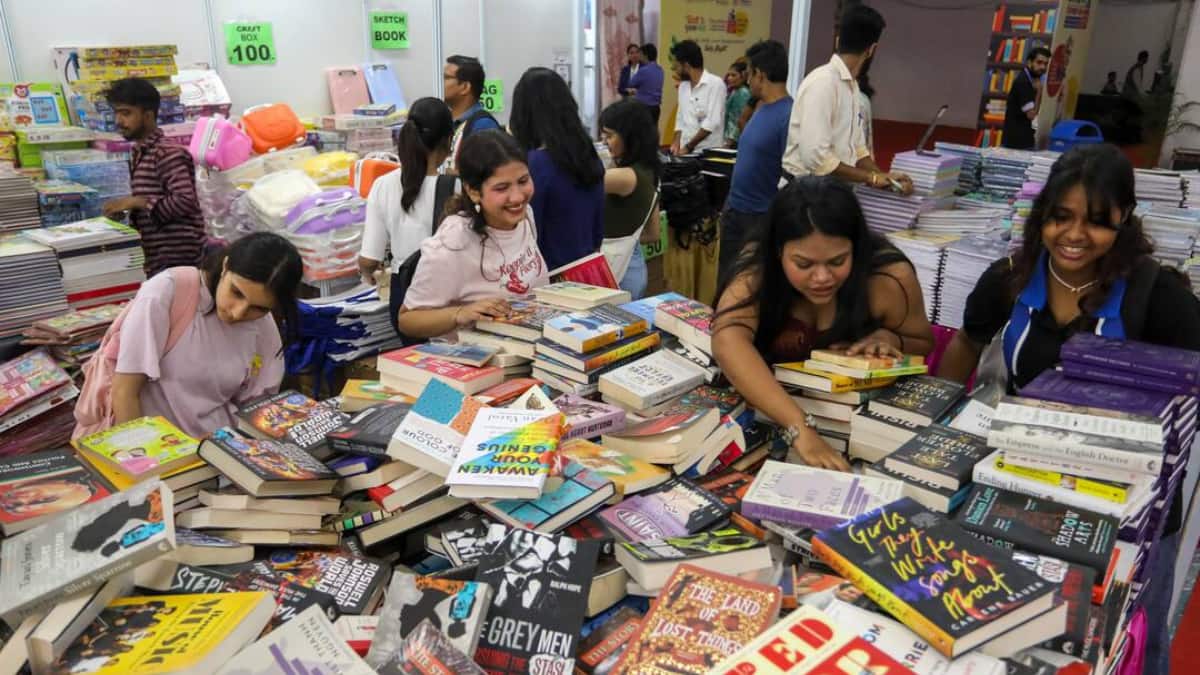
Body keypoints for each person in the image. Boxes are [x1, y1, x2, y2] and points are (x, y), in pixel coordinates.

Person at [935, 143, 1200, 675]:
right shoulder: (1009, 277)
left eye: (1097, 222)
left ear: (1124, 217)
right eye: (1061, 217)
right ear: (1043, 215)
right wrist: (933, 427)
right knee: (1027, 630)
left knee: (1128, 643)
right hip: (1022, 490)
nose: (1074, 235)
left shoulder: (1157, 295)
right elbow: (966, 343)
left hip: (1129, 507)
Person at [711, 177, 934, 470]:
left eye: (837, 261)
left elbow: (922, 342)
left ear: (857, 248)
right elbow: (728, 340)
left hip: (859, 435)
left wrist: (890, 339)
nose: (822, 278)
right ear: (778, 252)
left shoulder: (888, 278)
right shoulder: (758, 270)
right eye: (803, 264)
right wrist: (799, 428)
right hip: (767, 419)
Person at [107, 232, 303, 438]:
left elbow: (257, 409)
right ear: (226, 266)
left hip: (221, 449)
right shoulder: (167, 292)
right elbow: (124, 393)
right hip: (157, 450)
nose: (238, 312)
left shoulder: (263, 326)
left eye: (258, 308)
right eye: (236, 293)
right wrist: (143, 462)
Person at [396, 131, 549, 339]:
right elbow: (407, 320)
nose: (517, 197)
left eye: (523, 181)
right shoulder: (452, 243)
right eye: (502, 188)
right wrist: (461, 313)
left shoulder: (524, 217)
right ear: (474, 191)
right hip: (473, 363)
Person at [781, 5, 911, 194]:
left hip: (830, 193)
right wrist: (871, 177)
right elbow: (817, 159)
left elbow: (857, 149)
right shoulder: (823, 83)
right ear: (872, 49)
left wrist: (886, 177)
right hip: (804, 195)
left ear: (837, 40)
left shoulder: (851, 87)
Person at [357, 97, 456, 329]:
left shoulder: (383, 185)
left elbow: (369, 258)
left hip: (404, 295)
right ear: (448, 140)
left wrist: (368, 272)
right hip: (449, 294)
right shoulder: (458, 187)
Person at [100, 78, 206, 278]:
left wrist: (136, 202)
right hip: (157, 259)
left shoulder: (167, 153)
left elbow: (185, 201)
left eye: (126, 113)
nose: (118, 121)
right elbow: (154, 202)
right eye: (116, 113)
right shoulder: (141, 153)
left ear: (148, 115)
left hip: (178, 261)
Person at [510, 67, 605, 271]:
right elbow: (598, 230)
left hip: (549, 278)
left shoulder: (535, 164)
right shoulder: (589, 157)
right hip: (588, 271)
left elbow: (529, 235)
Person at [719, 39, 792, 281]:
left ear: (760, 75)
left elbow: (790, 174)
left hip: (759, 218)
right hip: (736, 211)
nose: (747, 80)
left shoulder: (788, 115)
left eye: (749, 74)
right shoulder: (762, 109)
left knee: (749, 287)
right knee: (726, 283)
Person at [599, 98, 662, 299]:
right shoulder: (650, 171)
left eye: (609, 135)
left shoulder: (624, 177)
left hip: (615, 273)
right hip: (633, 266)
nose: (604, 142)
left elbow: (576, 186)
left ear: (630, 137)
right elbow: (653, 234)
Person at [443, 55, 500, 172]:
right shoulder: (449, 122)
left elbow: (486, 175)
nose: (439, 82)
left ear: (465, 87)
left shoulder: (483, 126)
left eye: (446, 77)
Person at [669, 40, 725, 155]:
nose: (675, 70)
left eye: (677, 66)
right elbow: (680, 118)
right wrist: (676, 142)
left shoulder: (716, 84)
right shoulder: (683, 87)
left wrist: (689, 147)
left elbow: (712, 122)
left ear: (686, 66)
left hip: (708, 153)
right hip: (685, 152)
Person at [1002, 47, 1050, 150]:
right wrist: (1039, 91)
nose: (1043, 67)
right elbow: (1031, 115)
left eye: (1046, 64)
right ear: (1029, 62)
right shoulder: (1024, 82)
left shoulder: (1030, 79)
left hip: (1022, 139)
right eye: (1039, 62)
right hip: (1017, 143)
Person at [627, 43, 665, 125]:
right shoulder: (660, 70)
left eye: (640, 54)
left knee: (642, 134)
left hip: (643, 108)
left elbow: (631, 83)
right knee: (652, 133)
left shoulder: (643, 71)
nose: (639, 56)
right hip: (656, 108)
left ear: (646, 56)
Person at [723, 60, 752, 147]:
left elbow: (737, 119)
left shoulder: (743, 93)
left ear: (743, 76)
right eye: (728, 75)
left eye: (733, 75)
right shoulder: (735, 91)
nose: (729, 78)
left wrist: (730, 141)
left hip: (734, 141)